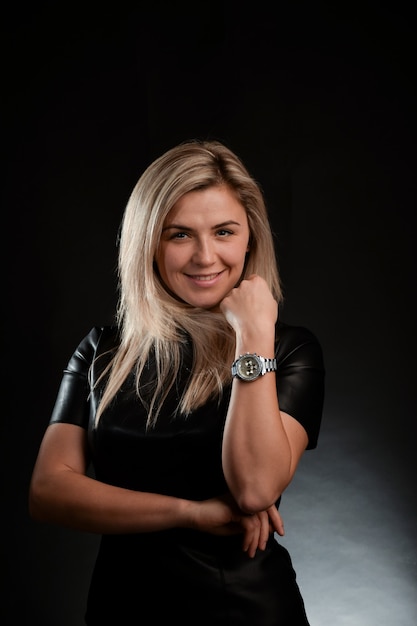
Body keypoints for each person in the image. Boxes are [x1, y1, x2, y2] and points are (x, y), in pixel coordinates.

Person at [29, 139, 325, 625]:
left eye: (224, 231)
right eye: (180, 235)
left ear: (250, 238)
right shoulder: (102, 351)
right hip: (120, 609)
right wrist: (193, 513)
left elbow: (254, 489)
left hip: (245, 612)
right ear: (148, 242)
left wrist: (254, 333)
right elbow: (48, 491)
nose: (205, 257)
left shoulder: (289, 349)